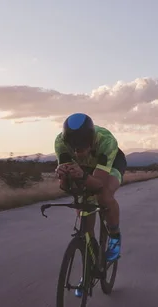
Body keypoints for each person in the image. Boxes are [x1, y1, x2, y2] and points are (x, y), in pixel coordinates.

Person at [54, 112, 127, 272]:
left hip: (112, 163)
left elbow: (99, 184)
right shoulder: (60, 143)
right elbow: (65, 187)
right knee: (83, 206)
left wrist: (82, 175)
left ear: (91, 140)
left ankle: (115, 236)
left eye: (82, 147)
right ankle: (90, 266)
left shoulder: (105, 141)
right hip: (85, 167)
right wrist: (63, 176)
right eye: (74, 148)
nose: (77, 152)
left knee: (104, 195)